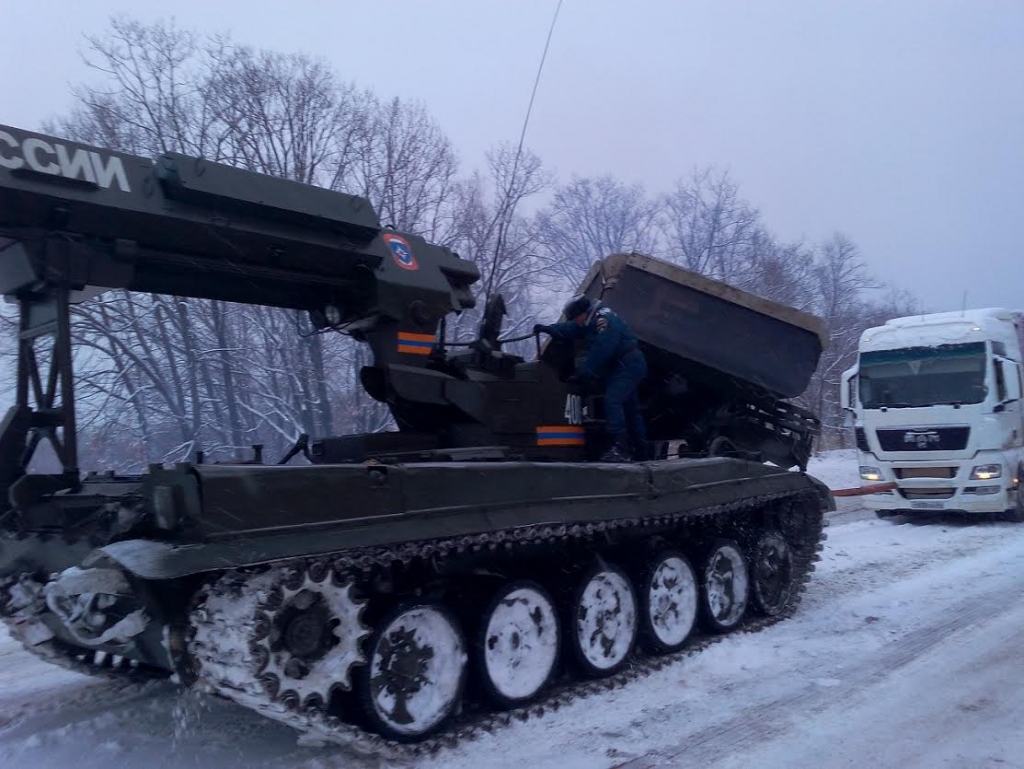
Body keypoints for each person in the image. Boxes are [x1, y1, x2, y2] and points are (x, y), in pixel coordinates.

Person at [534, 294, 648, 462]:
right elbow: (572, 328)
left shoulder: (603, 320)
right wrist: (550, 329)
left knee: (613, 400)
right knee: (630, 409)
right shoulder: (590, 320)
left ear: (583, 313)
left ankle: (620, 449)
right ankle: (641, 451)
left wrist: (584, 372)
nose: (576, 321)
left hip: (628, 364)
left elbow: (604, 348)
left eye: (576, 317)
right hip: (624, 365)